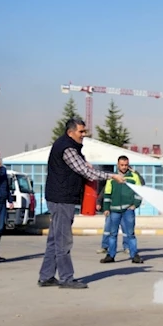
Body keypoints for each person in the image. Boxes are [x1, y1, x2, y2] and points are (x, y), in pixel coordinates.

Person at [37, 118, 126, 289]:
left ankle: (46, 276)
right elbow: (86, 172)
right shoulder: (68, 148)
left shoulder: (66, 145)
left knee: (55, 239)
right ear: (71, 132)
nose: (84, 135)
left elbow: (82, 166)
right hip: (62, 198)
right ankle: (66, 278)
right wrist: (112, 176)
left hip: (58, 197)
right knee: (63, 240)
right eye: (81, 132)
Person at [100, 156, 145, 264]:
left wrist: (135, 204)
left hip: (128, 210)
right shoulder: (112, 177)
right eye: (122, 165)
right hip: (114, 210)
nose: (124, 167)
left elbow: (139, 192)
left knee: (130, 234)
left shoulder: (134, 177)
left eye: (126, 165)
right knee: (112, 234)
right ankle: (110, 256)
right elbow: (107, 193)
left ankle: (134, 255)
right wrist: (106, 208)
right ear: (118, 165)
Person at [96, 188, 127, 255]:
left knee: (126, 230)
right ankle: (104, 247)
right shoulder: (110, 181)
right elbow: (103, 193)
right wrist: (99, 202)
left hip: (124, 210)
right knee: (107, 229)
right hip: (111, 209)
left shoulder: (127, 182)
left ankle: (127, 247)